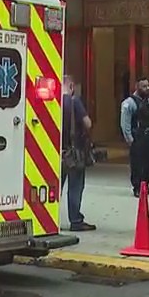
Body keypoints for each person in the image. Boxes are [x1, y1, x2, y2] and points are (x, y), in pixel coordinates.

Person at [60, 76, 96, 232]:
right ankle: (75, 220)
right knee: (75, 187)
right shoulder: (75, 102)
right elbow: (87, 123)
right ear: (72, 86)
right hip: (74, 153)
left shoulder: (56, 102)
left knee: (56, 186)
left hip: (57, 152)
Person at [120, 76, 149, 197]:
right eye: (144, 86)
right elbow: (125, 122)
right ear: (137, 86)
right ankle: (137, 187)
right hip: (138, 137)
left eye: (148, 86)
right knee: (137, 164)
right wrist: (129, 139)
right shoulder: (129, 103)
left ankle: (145, 184)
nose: (147, 88)